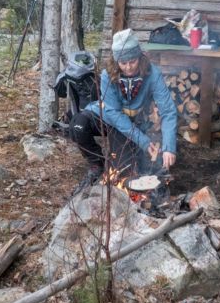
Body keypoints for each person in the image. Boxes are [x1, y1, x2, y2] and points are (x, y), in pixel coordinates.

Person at [69, 28, 178, 191]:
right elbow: (114, 115)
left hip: (130, 124)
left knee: (124, 170)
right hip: (108, 117)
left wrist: (169, 147)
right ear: (116, 61)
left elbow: (168, 111)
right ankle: (97, 164)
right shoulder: (108, 74)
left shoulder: (153, 73)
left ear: (139, 57)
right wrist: (143, 141)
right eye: (123, 63)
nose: (128, 67)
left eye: (132, 61)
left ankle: (119, 162)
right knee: (78, 125)